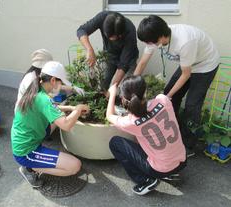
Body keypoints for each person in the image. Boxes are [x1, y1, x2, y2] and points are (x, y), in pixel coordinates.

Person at [134, 15, 219, 153]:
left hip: (205, 65)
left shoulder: (185, 42)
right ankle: (175, 133)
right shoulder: (155, 38)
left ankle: (190, 144)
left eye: (150, 42)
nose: (149, 45)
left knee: (191, 105)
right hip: (188, 63)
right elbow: (143, 62)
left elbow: (186, 74)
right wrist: (131, 85)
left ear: (161, 36)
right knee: (169, 97)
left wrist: (166, 96)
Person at [11, 61, 89, 188]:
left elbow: (52, 108)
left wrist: (71, 107)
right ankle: (30, 168)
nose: (61, 86)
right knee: (75, 166)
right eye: (60, 82)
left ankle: (35, 163)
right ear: (53, 80)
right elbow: (66, 125)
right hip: (26, 151)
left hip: (26, 136)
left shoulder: (36, 88)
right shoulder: (44, 99)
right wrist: (78, 109)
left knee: (55, 122)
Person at [106, 75, 186, 196]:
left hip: (160, 169)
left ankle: (146, 180)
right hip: (182, 160)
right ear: (146, 91)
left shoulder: (131, 122)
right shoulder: (163, 100)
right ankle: (170, 174)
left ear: (123, 99)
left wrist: (112, 94)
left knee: (115, 142)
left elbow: (109, 116)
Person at [77, 11, 139, 91]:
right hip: (110, 56)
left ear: (120, 35)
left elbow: (124, 65)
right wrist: (89, 49)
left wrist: (112, 89)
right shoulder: (102, 17)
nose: (110, 39)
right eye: (108, 36)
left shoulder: (130, 31)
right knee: (104, 85)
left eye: (113, 38)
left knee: (126, 89)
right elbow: (81, 30)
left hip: (129, 60)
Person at [14, 49, 85, 113]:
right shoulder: (30, 78)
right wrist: (72, 108)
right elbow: (44, 103)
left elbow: (57, 85)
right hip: (26, 113)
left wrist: (73, 88)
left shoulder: (40, 75)